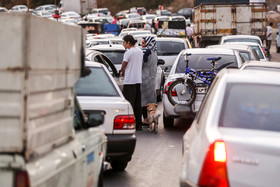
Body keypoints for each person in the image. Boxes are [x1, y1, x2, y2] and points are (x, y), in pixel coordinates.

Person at [121, 35, 143, 130]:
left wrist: (122, 71)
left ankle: (130, 124)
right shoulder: (139, 51)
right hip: (138, 80)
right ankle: (139, 124)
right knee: (137, 103)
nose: (123, 44)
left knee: (129, 103)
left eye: (124, 42)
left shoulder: (128, 52)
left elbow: (123, 65)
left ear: (128, 42)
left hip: (129, 81)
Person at [141, 36, 158, 125]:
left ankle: (146, 119)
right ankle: (151, 118)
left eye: (143, 43)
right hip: (152, 79)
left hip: (144, 78)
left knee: (143, 100)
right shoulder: (155, 52)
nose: (141, 45)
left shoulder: (145, 52)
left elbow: (141, 65)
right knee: (151, 100)